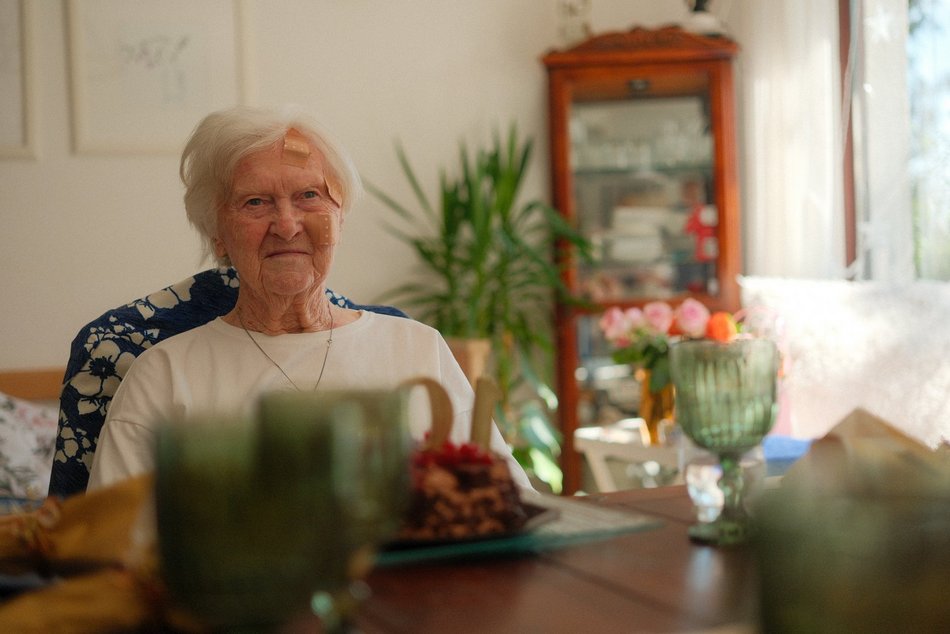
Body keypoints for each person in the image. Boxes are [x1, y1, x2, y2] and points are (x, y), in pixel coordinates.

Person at [87, 105, 530, 491]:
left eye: (309, 196)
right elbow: (113, 560)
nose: (286, 224)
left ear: (340, 216)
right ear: (217, 234)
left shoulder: (418, 350)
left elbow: (507, 501)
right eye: (256, 202)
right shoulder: (162, 378)